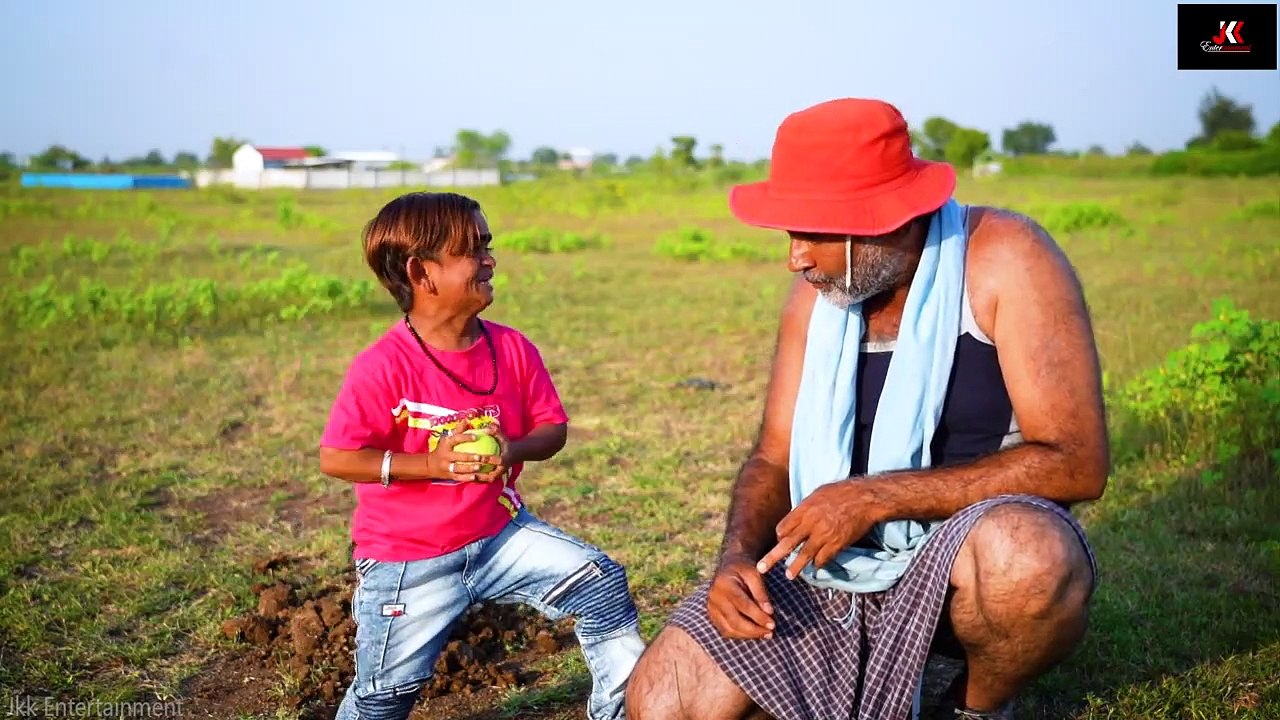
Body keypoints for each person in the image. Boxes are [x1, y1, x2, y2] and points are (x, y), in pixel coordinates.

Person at [625, 98, 1106, 720]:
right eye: (791, 234)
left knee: (1029, 557)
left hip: (965, 563)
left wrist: (874, 498)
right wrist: (737, 558)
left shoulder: (1004, 257)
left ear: (885, 220)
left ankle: (975, 705)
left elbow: (1076, 462)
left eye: (813, 233)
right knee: (663, 700)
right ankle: (837, 665)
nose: (795, 258)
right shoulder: (819, 294)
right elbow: (774, 457)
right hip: (830, 567)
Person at [319, 192, 644, 720]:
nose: (489, 260)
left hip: (499, 536)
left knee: (600, 583)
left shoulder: (512, 349)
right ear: (421, 272)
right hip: (408, 560)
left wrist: (513, 448)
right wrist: (431, 465)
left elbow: (552, 430)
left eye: (487, 246)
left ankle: (619, 713)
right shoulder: (382, 366)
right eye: (472, 249)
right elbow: (337, 457)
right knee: (384, 696)